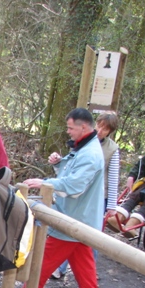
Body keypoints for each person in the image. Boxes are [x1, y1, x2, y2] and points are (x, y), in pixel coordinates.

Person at [23, 108, 104, 288]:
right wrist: (59, 165)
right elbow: (72, 176)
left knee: (47, 253)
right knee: (82, 258)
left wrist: (45, 183)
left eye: (70, 128)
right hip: (81, 217)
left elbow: (75, 187)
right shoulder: (85, 148)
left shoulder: (90, 153)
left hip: (74, 217)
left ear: (83, 127)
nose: (68, 132)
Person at [52, 111, 120, 279]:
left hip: (92, 201)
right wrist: (58, 164)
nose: (102, 130)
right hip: (81, 201)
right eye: (100, 125)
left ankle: (32, 287)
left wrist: (111, 205)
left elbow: (112, 179)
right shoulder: (85, 143)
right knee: (79, 247)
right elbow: (72, 171)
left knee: (80, 242)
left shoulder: (104, 150)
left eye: (106, 128)